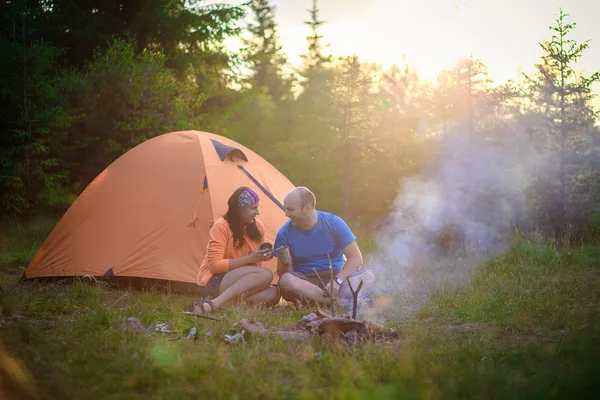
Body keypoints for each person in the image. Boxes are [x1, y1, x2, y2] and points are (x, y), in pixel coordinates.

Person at [274, 187, 375, 305]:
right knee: (285, 281)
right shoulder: (284, 233)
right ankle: (339, 303)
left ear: (307, 207)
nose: (286, 214)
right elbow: (283, 274)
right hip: (306, 283)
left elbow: (356, 258)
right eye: (286, 209)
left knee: (368, 276)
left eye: (290, 210)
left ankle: (323, 300)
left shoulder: (334, 223)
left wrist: (337, 281)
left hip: (336, 278)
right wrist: (286, 265)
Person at [193, 186, 279, 314]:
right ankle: (214, 304)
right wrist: (250, 258)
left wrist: (263, 256)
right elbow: (215, 265)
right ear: (240, 209)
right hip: (215, 279)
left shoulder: (258, 226)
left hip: (239, 281)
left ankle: (228, 304)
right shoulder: (221, 226)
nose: (257, 212)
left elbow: (254, 268)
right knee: (265, 274)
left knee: (274, 293)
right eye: (253, 208)